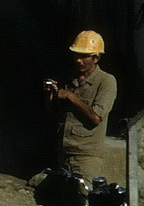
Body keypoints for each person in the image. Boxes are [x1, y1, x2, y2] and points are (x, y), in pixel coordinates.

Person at [45, 30, 117, 181]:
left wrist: (71, 97)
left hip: (87, 157)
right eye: (76, 55)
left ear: (96, 58)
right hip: (64, 155)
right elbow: (56, 115)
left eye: (84, 57)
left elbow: (95, 118)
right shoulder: (70, 79)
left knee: (86, 200)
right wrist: (51, 95)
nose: (78, 60)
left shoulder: (106, 81)